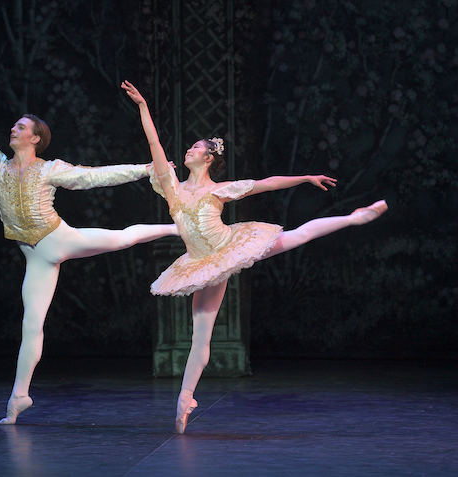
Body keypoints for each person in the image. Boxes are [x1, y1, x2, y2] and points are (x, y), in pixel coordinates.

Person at [122, 80, 387, 434]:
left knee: (297, 235)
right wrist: (142, 105)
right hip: (202, 264)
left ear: (209, 158)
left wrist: (306, 177)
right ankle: (185, 400)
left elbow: (267, 183)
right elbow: (154, 142)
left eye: (195, 148)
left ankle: (355, 218)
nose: (188, 150)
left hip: (232, 246)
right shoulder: (170, 184)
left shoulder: (220, 190)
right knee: (200, 337)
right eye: (189, 146)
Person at [0, 60, 178, 425]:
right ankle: (19, 397)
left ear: (35, 138)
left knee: (122, 239)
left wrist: (143, 170)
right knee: (32, 324)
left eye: (20, 127)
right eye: (14, 126)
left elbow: (94, 177)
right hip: (36, 257)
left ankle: (177, 230)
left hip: (58, 239)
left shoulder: (50, 169)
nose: (12, 129)